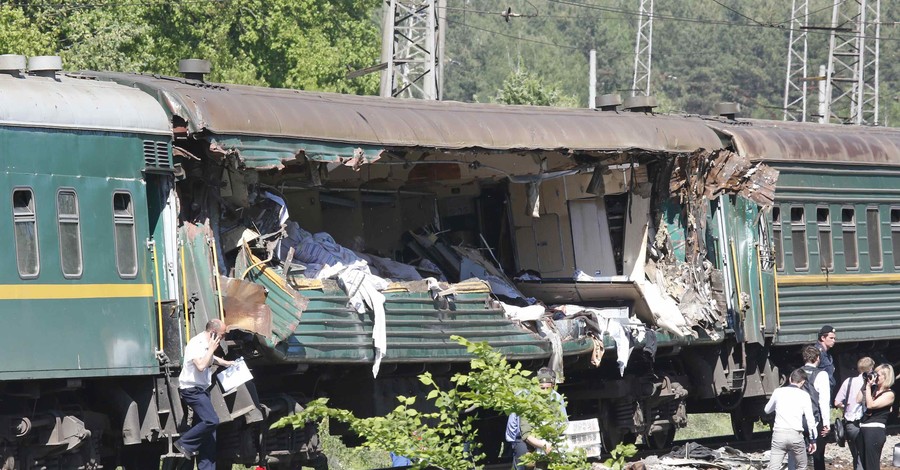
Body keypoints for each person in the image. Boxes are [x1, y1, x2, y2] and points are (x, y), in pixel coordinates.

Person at [175, 319, 234, 469]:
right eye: (221, 335)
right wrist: (211, 349)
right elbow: (201, 365)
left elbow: (211, 359)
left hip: (201, 390)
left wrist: (226, 363)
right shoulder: (196, 343)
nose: (222, 339)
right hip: (191, 390)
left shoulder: (206, 345)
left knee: (209, 436)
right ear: (213, 333)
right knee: (211, 420)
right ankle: (184, 444)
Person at [505, 367, 567, 470]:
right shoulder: (527, 398)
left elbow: (563, 424)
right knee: (527, 463)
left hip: (544, 437)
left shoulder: (557, 399)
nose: (545, 392)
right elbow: (525, 434)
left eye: (548, 388)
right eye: (542, 388)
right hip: (522, 437)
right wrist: (543, 445)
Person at [765, 368, 818, 470]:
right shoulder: (804, 395)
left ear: (790, 379)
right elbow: (810, 420)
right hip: (796, 436)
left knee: (773, 467)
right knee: (801, 466)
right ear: (802, 382)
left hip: (779, 435)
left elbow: (767, 410)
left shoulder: (778, 392)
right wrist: (813, 440)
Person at [789, 345, 830, 470]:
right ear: (817, 358)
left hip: (797, 420)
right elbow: (824, 400)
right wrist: (826, 423)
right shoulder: (821, 374)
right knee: (818, 457)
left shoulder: (795, 374)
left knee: (798, 458)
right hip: (814, 419)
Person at [835, 357, 875, 470]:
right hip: (866, 422)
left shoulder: (848, 381)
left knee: (856, 456)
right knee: (867, 456)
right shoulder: (871, 383)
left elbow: (837, 402)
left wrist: (847, 407)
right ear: (871, 369)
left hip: (851, 424)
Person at [856, 364, 895, 470]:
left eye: (877, 375)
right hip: (863, 428)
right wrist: (865, 384)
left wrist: (868, 387)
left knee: (871, 465)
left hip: (875, 430)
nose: (875, 377)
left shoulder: (889, 394)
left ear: (885, 377)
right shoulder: (872, 389)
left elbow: (871, 405)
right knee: (863, 464)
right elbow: (858, 399)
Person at [816, 325, 837, 390]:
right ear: (823, 338)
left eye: (834, 338)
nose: (834, 341)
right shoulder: (817, 353)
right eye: (831, 338)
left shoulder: (826, 353)